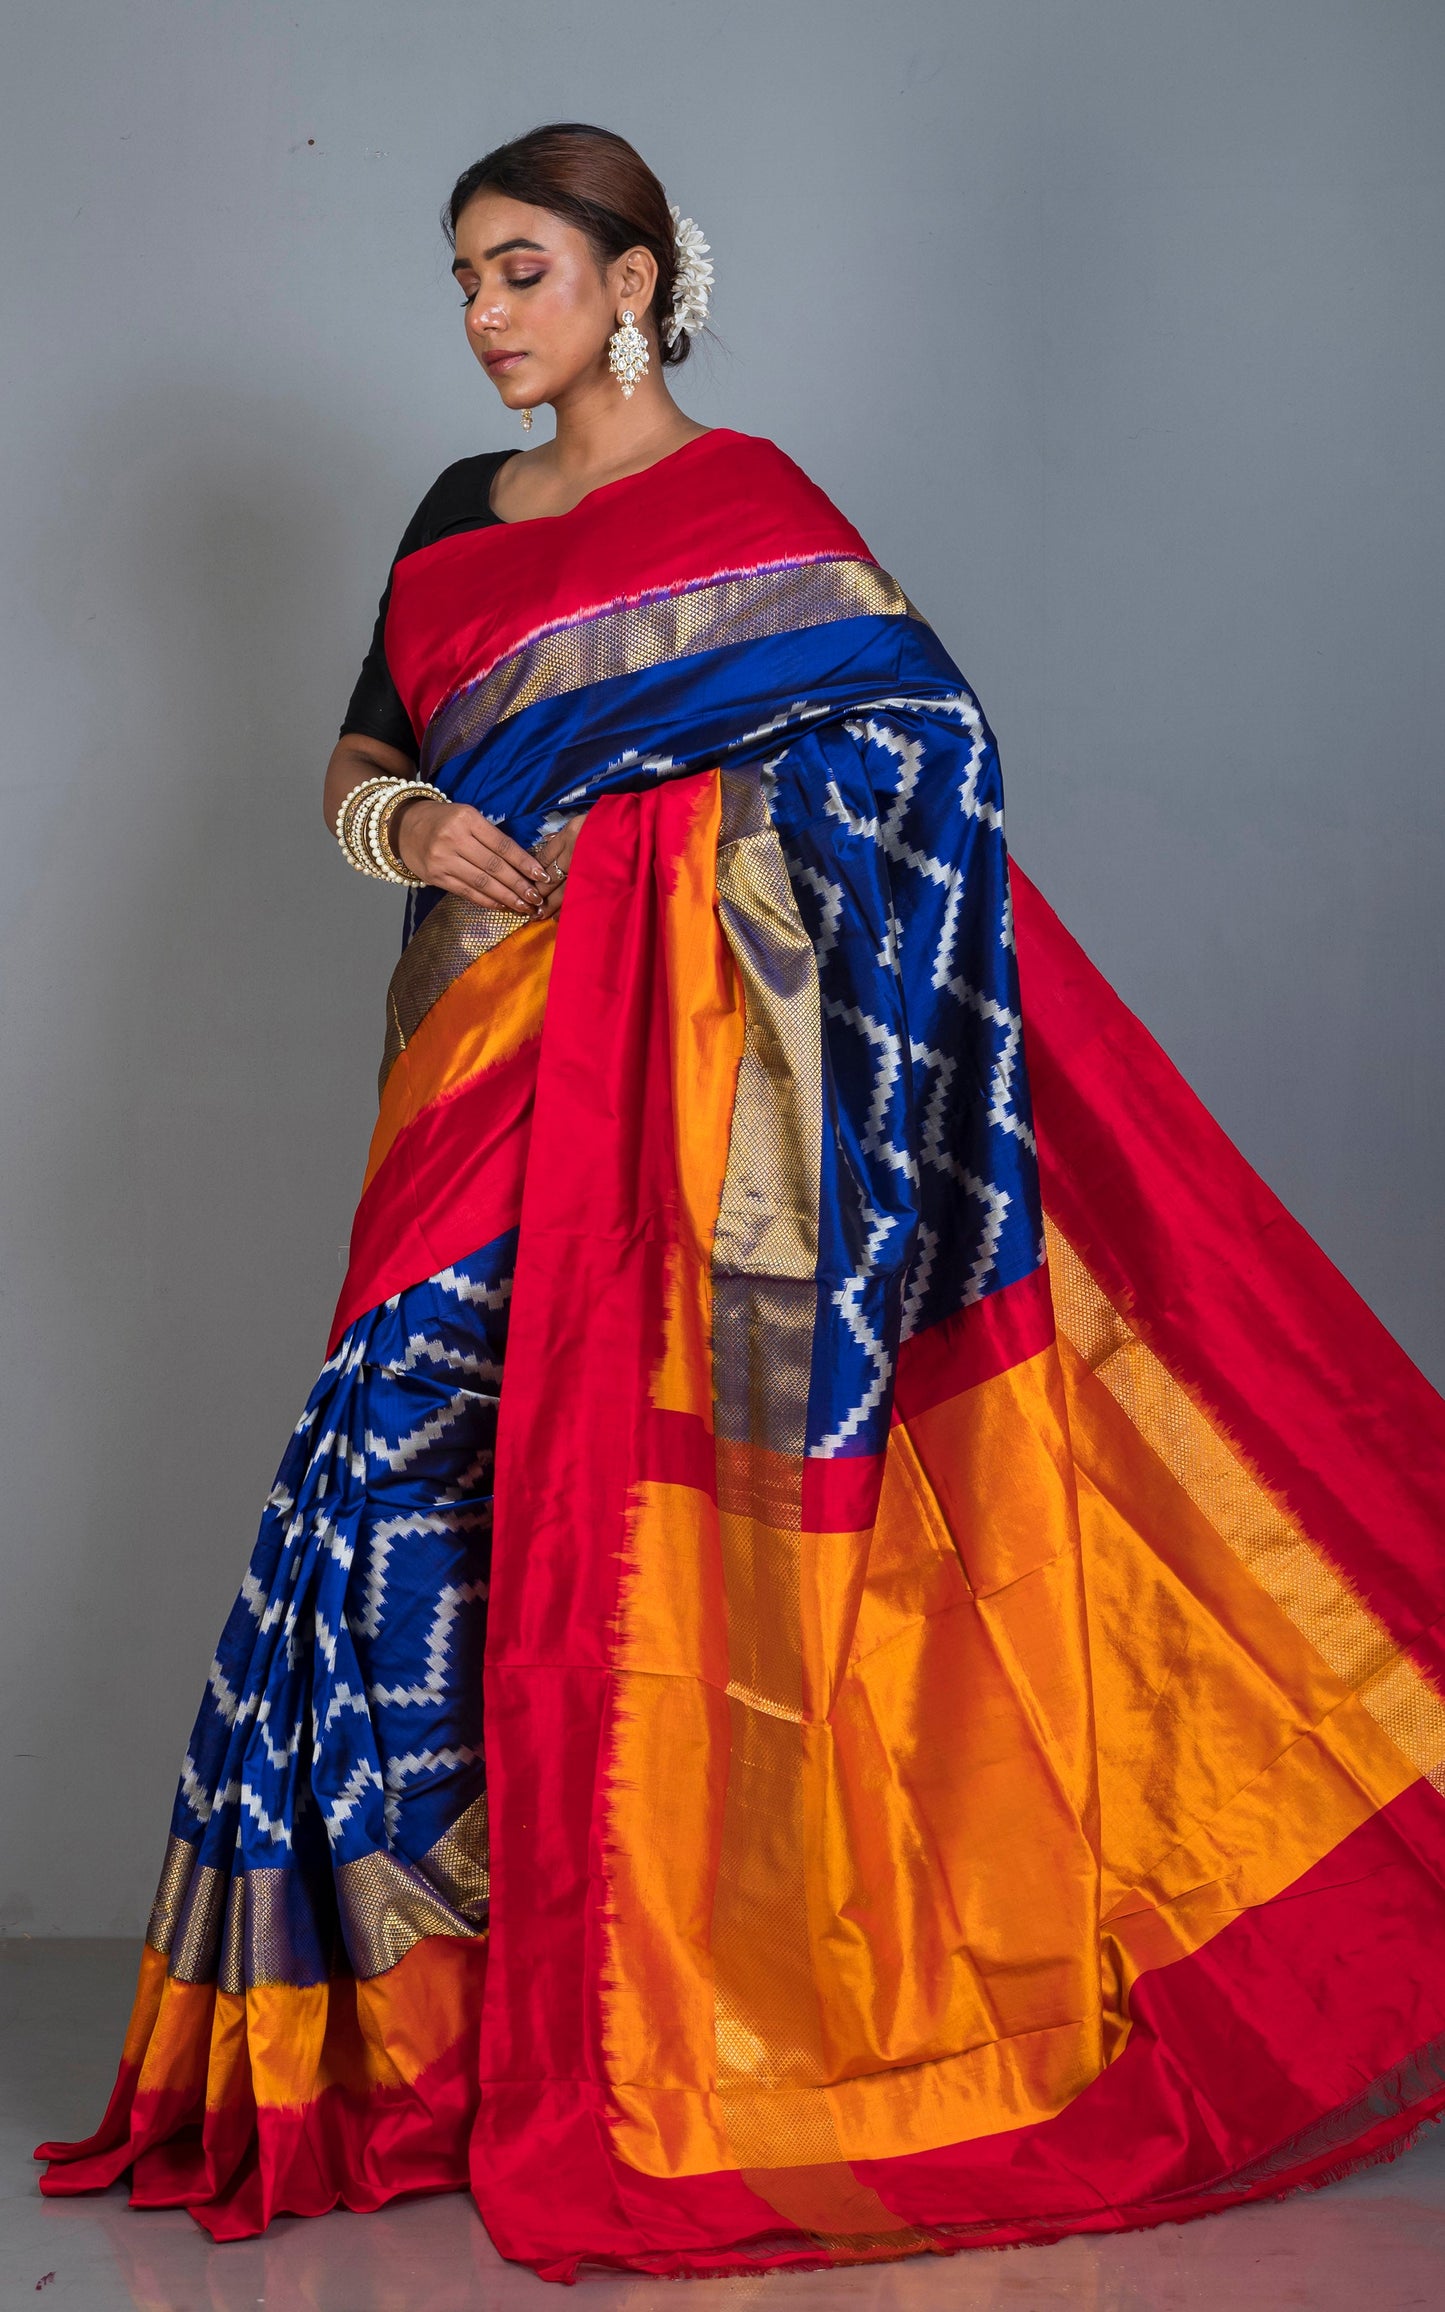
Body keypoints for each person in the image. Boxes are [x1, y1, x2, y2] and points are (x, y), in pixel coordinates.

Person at [37, 122, 1445, 2286]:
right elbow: (362, 753)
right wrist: (405, 828)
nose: (483, 315)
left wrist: (645, 866)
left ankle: (670, 2027)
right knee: (395, 1498)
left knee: (613, 1522)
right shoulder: (452, 513)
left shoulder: (759, 511)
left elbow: (926, 770)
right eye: (462, 279)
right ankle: (390, 2058)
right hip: (473, 1075)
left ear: (632, 280)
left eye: (520, 270)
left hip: (689, 1119)